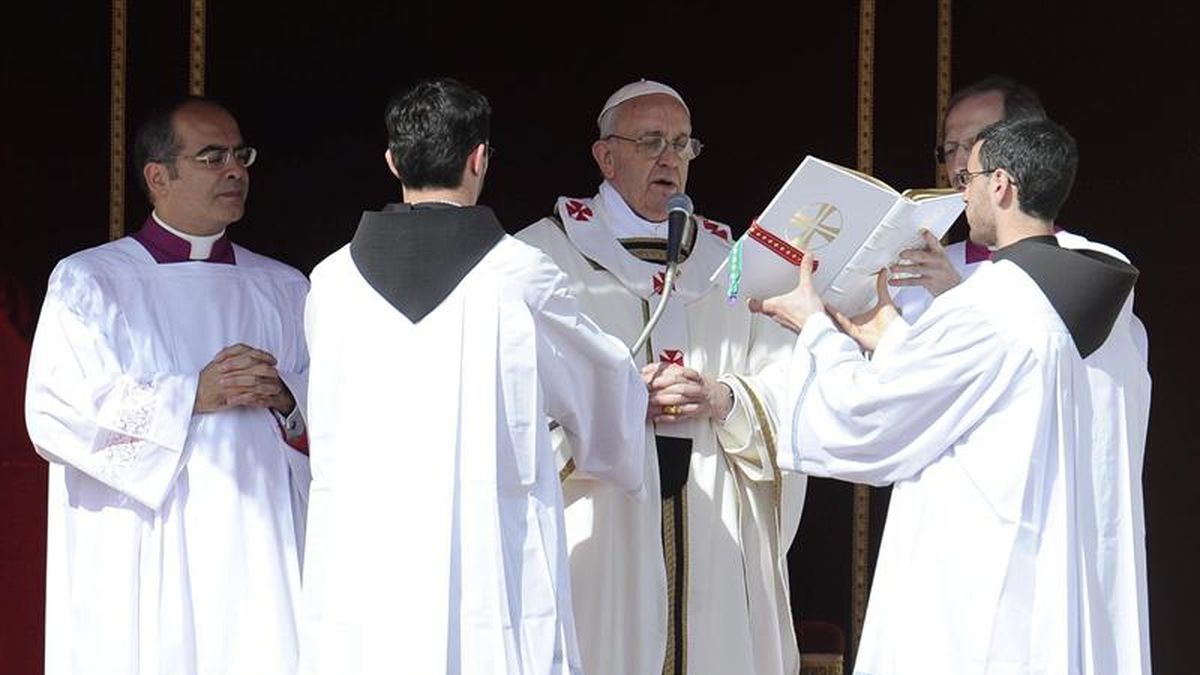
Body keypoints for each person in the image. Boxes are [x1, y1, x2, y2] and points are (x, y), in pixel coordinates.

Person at [754, 117, 1151, 673]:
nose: (961, 191)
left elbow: (869, 419)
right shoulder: (1071, 306)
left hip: (979, 573)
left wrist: (815, 326)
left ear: (1001, 186)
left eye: (969, 177)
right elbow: (980, 401)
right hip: (1048, 562)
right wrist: (892, 338)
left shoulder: (992, 304)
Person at [299, 78, 648, 675]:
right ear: (480, 158)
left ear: (391, 161)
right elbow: (604, 391)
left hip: (364, 561)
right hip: (487, 556)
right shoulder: (518, 276)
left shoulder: (330, 282)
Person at [517, 79, 805, 675]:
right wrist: (615, 403)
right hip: (600, 522)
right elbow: (513, 397)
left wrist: (726, 398)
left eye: (682, 143)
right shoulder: (543, 256)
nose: (670, 157)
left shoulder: (731, 263)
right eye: (651, 141)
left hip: (714, 516)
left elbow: (789, 380)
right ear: (606, 155)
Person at [25, 96, 311, 674]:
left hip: (261, 547)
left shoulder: (284, 286)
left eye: (241, 155)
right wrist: (191, 396)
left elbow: (337, 415)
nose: (236, 171)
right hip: (147, 539)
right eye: (212, 158)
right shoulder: (92, 282)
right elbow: (58, 414)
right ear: (158, 176)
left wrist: (287, 398)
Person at [889, 75, 1048, 318]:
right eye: (950, 150)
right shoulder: (917, 275)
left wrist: (951, 295)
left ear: (1028, 148)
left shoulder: (1089, 265)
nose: (959, 166)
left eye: (975, 145)